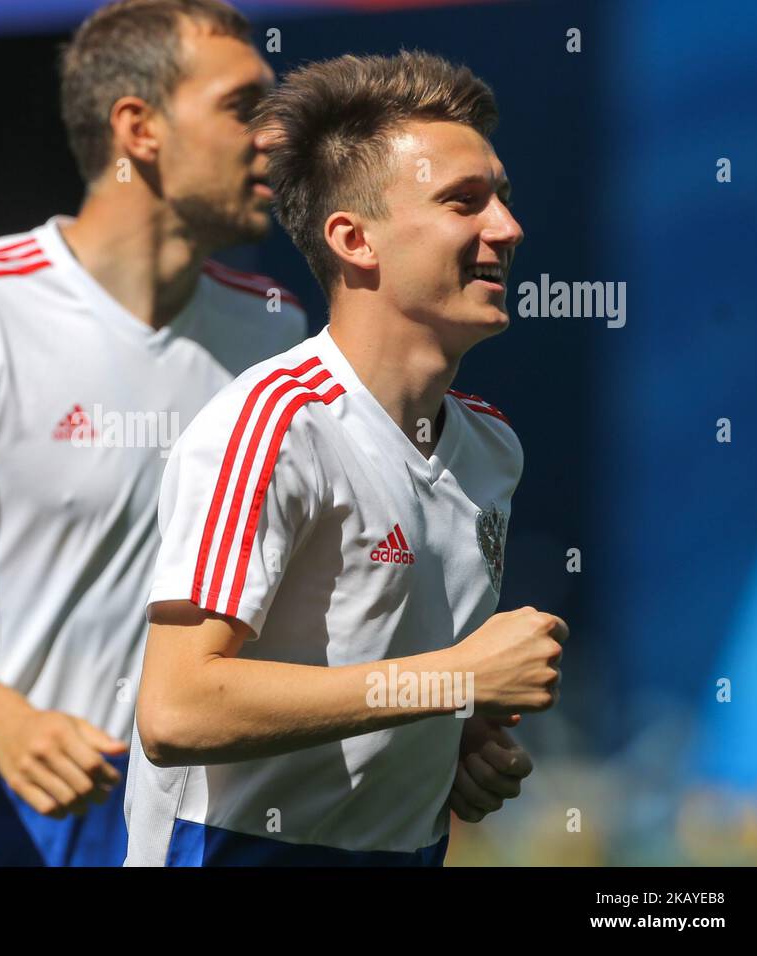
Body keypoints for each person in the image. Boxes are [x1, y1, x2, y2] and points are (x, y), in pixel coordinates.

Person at [0, 0, 305, 866]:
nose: (274, 137)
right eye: (243, 106)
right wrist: (9, 723)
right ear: (139, 128)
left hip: (179, 816)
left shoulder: (273, 328)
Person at [126, 51, 561, 866]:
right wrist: (448, 683)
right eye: (465, 202)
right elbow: (176, 710)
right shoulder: (273, 425)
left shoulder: (492, 445)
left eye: (502, 199)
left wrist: (450, 741)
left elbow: (383, 680)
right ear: (354, 239)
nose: (506, 228)